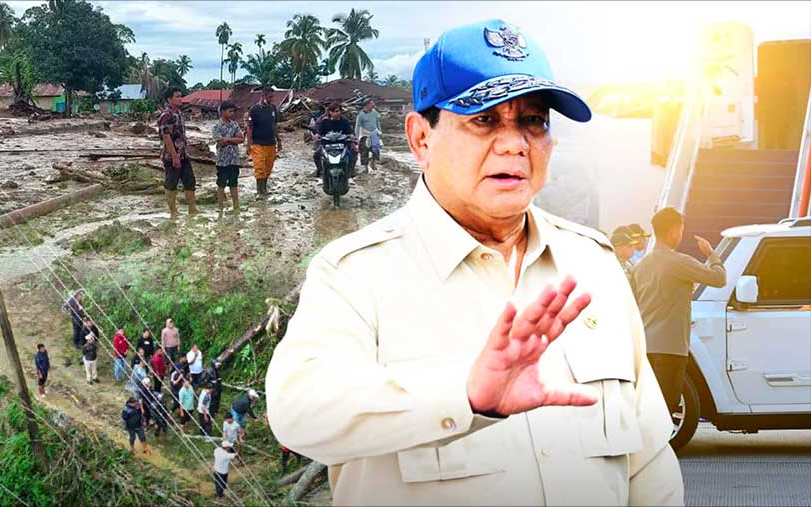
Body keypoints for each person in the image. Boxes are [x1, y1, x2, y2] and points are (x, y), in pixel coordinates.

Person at [265, 20, 683, 506]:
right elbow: (299, 413)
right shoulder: (355, 273)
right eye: (484, 119)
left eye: (533, 120)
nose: (514, 144)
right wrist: (462, 397)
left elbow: (650, 464)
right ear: (422, 138)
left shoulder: (594, 265)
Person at [633, 207, 727, 416]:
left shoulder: (640, 266)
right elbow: (719, 279)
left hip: (645, 346)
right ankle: (658, 447)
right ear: (674, 232)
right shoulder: (680, 262)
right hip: (671, 347)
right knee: (665, 407)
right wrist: (711, 255)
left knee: (646, 406)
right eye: (681, 230)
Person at [158, 86, 198, 218]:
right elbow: (166, 136)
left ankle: (192, 209)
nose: (180, 99)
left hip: (183, 154)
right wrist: (174, 156)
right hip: (171, 156)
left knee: (190, 181)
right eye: (177, 96)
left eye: (181, 96)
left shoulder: (179, 113)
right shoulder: (166, 115)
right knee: (171, 183)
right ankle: (173, 211)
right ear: (169, 99)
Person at [246, 86, 282, 198]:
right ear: (263, 95)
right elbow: (249, 128)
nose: (272, 99)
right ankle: (259, 192)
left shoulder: (273, 109)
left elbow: (274, 125)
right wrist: (248, 144)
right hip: (258, 143)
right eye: (270, 97)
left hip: (271, 143)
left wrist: (279, 140)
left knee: (268, 167)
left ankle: (264, 189)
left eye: (273, 97)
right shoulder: (254, 110)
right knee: (260, 168)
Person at [212, 101, 244, 213]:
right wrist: (233, 139)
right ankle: (220, 207)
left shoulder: (234, 124)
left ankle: (236, 206)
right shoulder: (217, 126)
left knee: (234, 182)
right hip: (222, 160)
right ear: (222, 112)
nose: (232, 113)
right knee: (221, 183)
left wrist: (228, 139)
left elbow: (241, 139)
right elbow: (220, 142)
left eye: (233, 111)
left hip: (234, 159)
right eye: (230, 111)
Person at [313, 103, 357, 177]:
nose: (338, 113)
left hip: (342, 144)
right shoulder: (324, 122)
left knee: (353, 154)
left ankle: (350, 171)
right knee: (316, 155)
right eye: (335, 111)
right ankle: (320, 170)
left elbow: (350, 131)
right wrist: (316, 136)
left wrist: (352, 136)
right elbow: (319, 132)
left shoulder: (344, 121)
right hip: (327, 144)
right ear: (330, 112)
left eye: (339, 111)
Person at [355, 99, 382, 172]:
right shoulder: (361, 115)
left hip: (374, 133)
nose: (373, 105)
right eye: (371, 103)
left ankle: (373, 163)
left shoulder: (375, 113)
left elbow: (377, 123)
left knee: (376, 150)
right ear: (367, 105)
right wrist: (356, 138)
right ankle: (365, 167)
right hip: (364, 134)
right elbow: (357, 126)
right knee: (364, 151)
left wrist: (380, 132)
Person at [611, 226, 639, 292]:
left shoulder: (627, 263)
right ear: (619, 249)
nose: (633, 248)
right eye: (630, 246)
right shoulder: (613, 266)